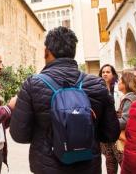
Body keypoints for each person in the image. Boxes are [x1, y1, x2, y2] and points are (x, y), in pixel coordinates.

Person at [10, 27, 120, 174]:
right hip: (88, 167)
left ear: (46, 51)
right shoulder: (97, 84)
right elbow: (111, 134)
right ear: (73, 51)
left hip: (47, 167)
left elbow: (19, 135)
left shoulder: (32, 84)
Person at [113, 71, 136, 164]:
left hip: (127, 140)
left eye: (120, 80)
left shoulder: (129, 98)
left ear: (126, 82)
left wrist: (110, 123)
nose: (118, 82)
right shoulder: (130, 97)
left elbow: (125, 121)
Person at [99, 64, 120, 174]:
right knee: (109, 160)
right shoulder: (98, 88)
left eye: (108, 72)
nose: (105, 74)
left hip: (117, 129)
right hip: (105, 130)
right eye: (103, 72)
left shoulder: (118, 88)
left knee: (120, 158)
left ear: (113, 74)